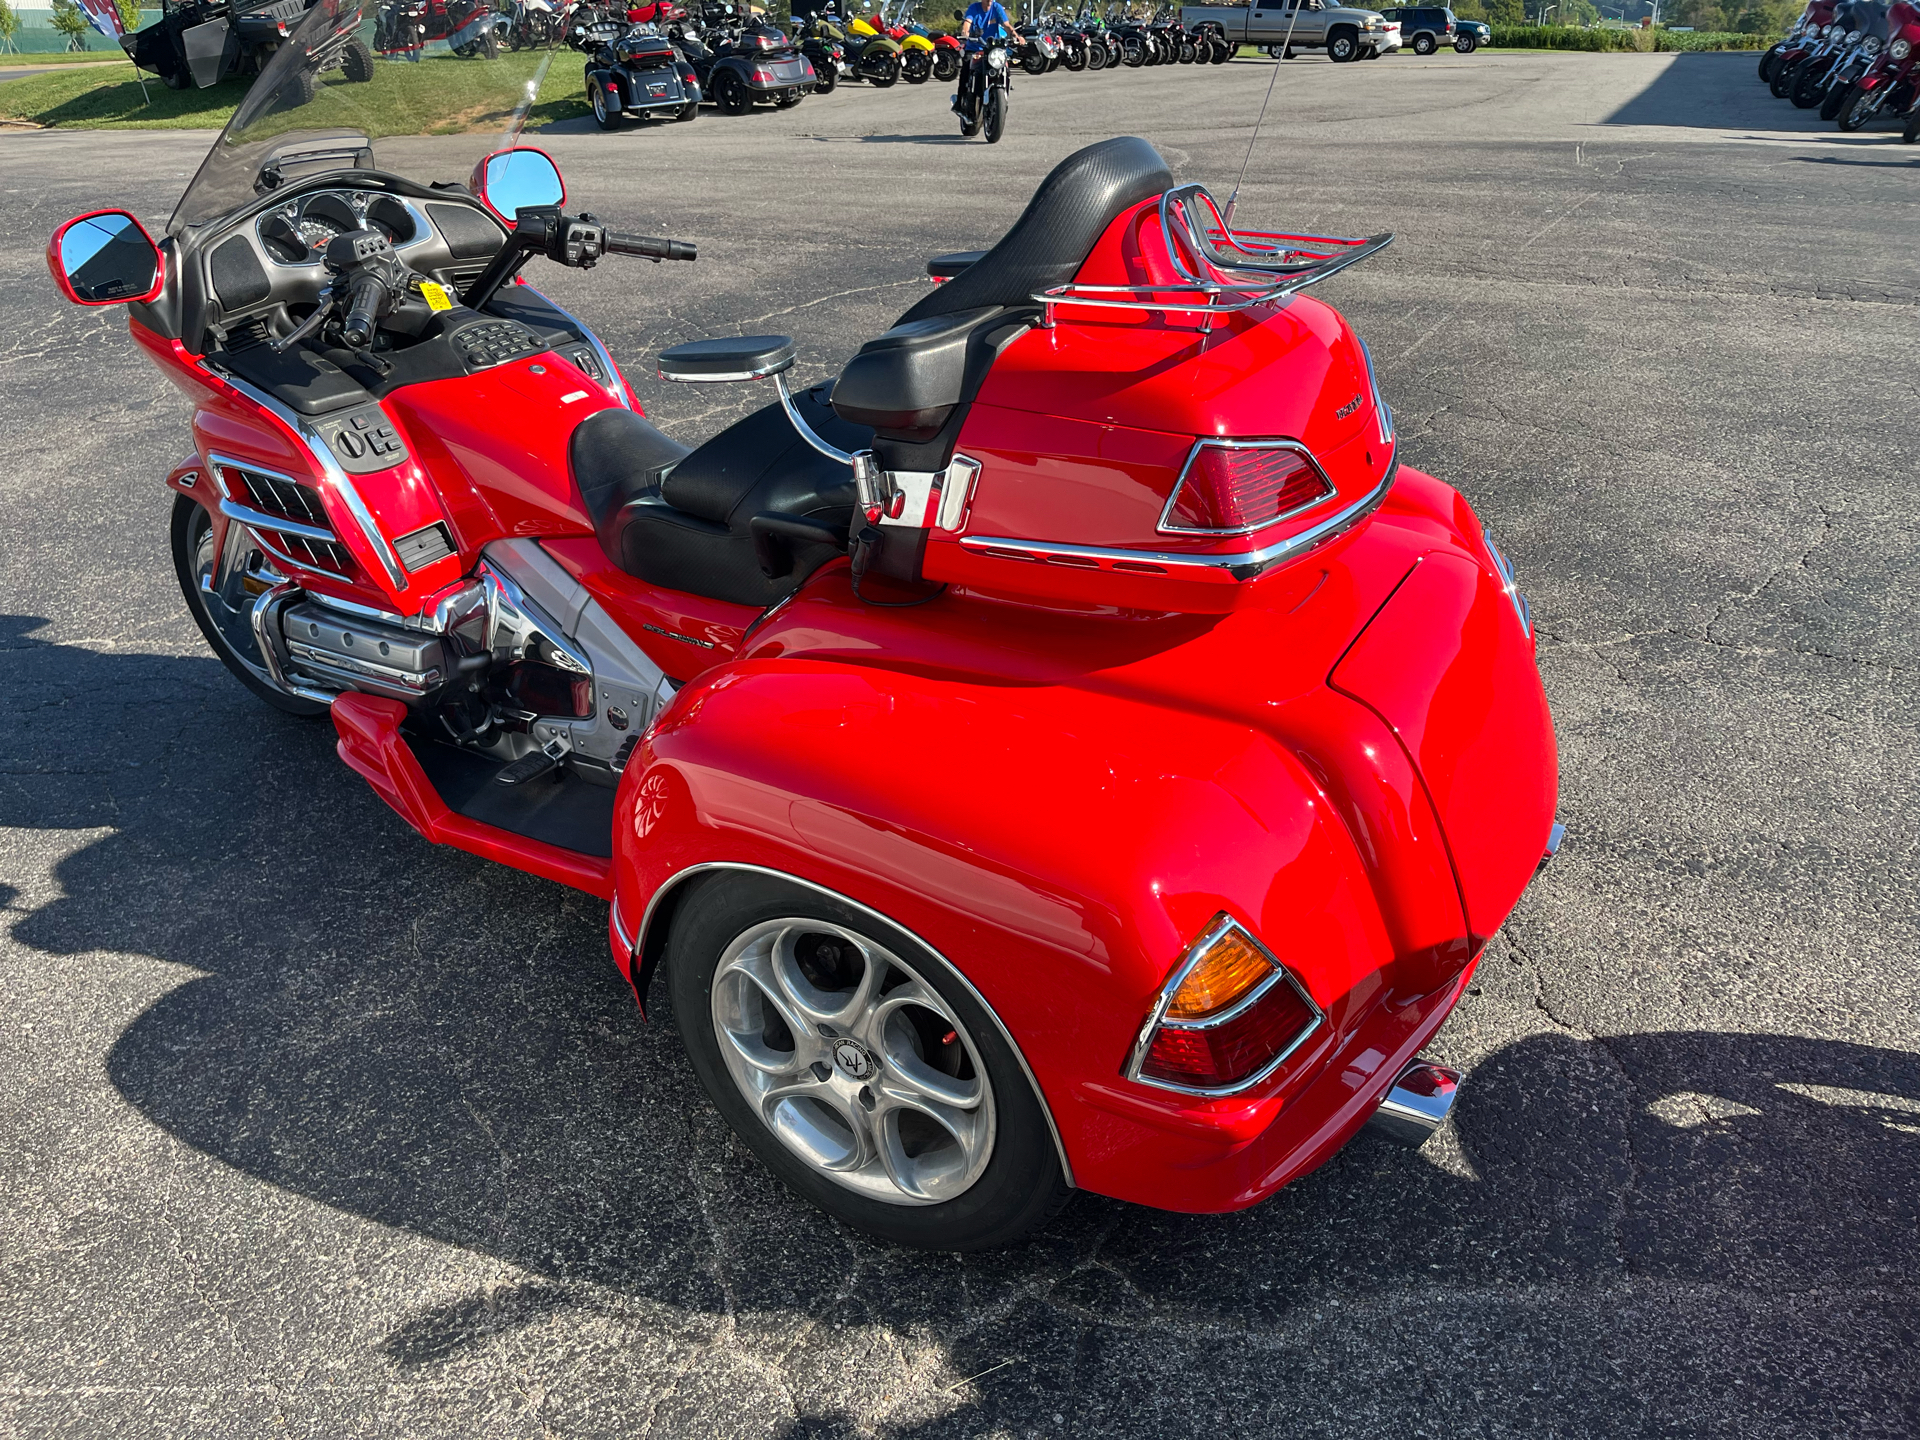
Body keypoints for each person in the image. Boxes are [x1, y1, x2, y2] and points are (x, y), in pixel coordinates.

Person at [953, 0, 1010, 115]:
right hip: (975, 47)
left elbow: (1006, 25)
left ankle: (1004, 99)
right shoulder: (974, 8)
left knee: (1005, 68)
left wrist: (1016, 36)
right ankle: (960, 103)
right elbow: (967, 22)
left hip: (991, 49)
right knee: (966, 68)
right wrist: (965, 32)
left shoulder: (997, 8)